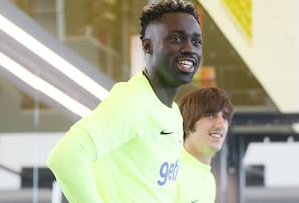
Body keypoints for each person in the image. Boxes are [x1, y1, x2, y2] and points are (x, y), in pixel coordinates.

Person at [47, 0, 202, 202]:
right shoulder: (132, 101)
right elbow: (66, 156)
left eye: (196, 41)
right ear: (148, 45)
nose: (189, 48)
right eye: (176, 38)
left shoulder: (172, 113)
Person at [177, 87, 233, 203]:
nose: (221, 125)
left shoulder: (209, 180)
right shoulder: (170, 172)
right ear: (188, 123)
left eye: (225, 117)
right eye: (210, 116)